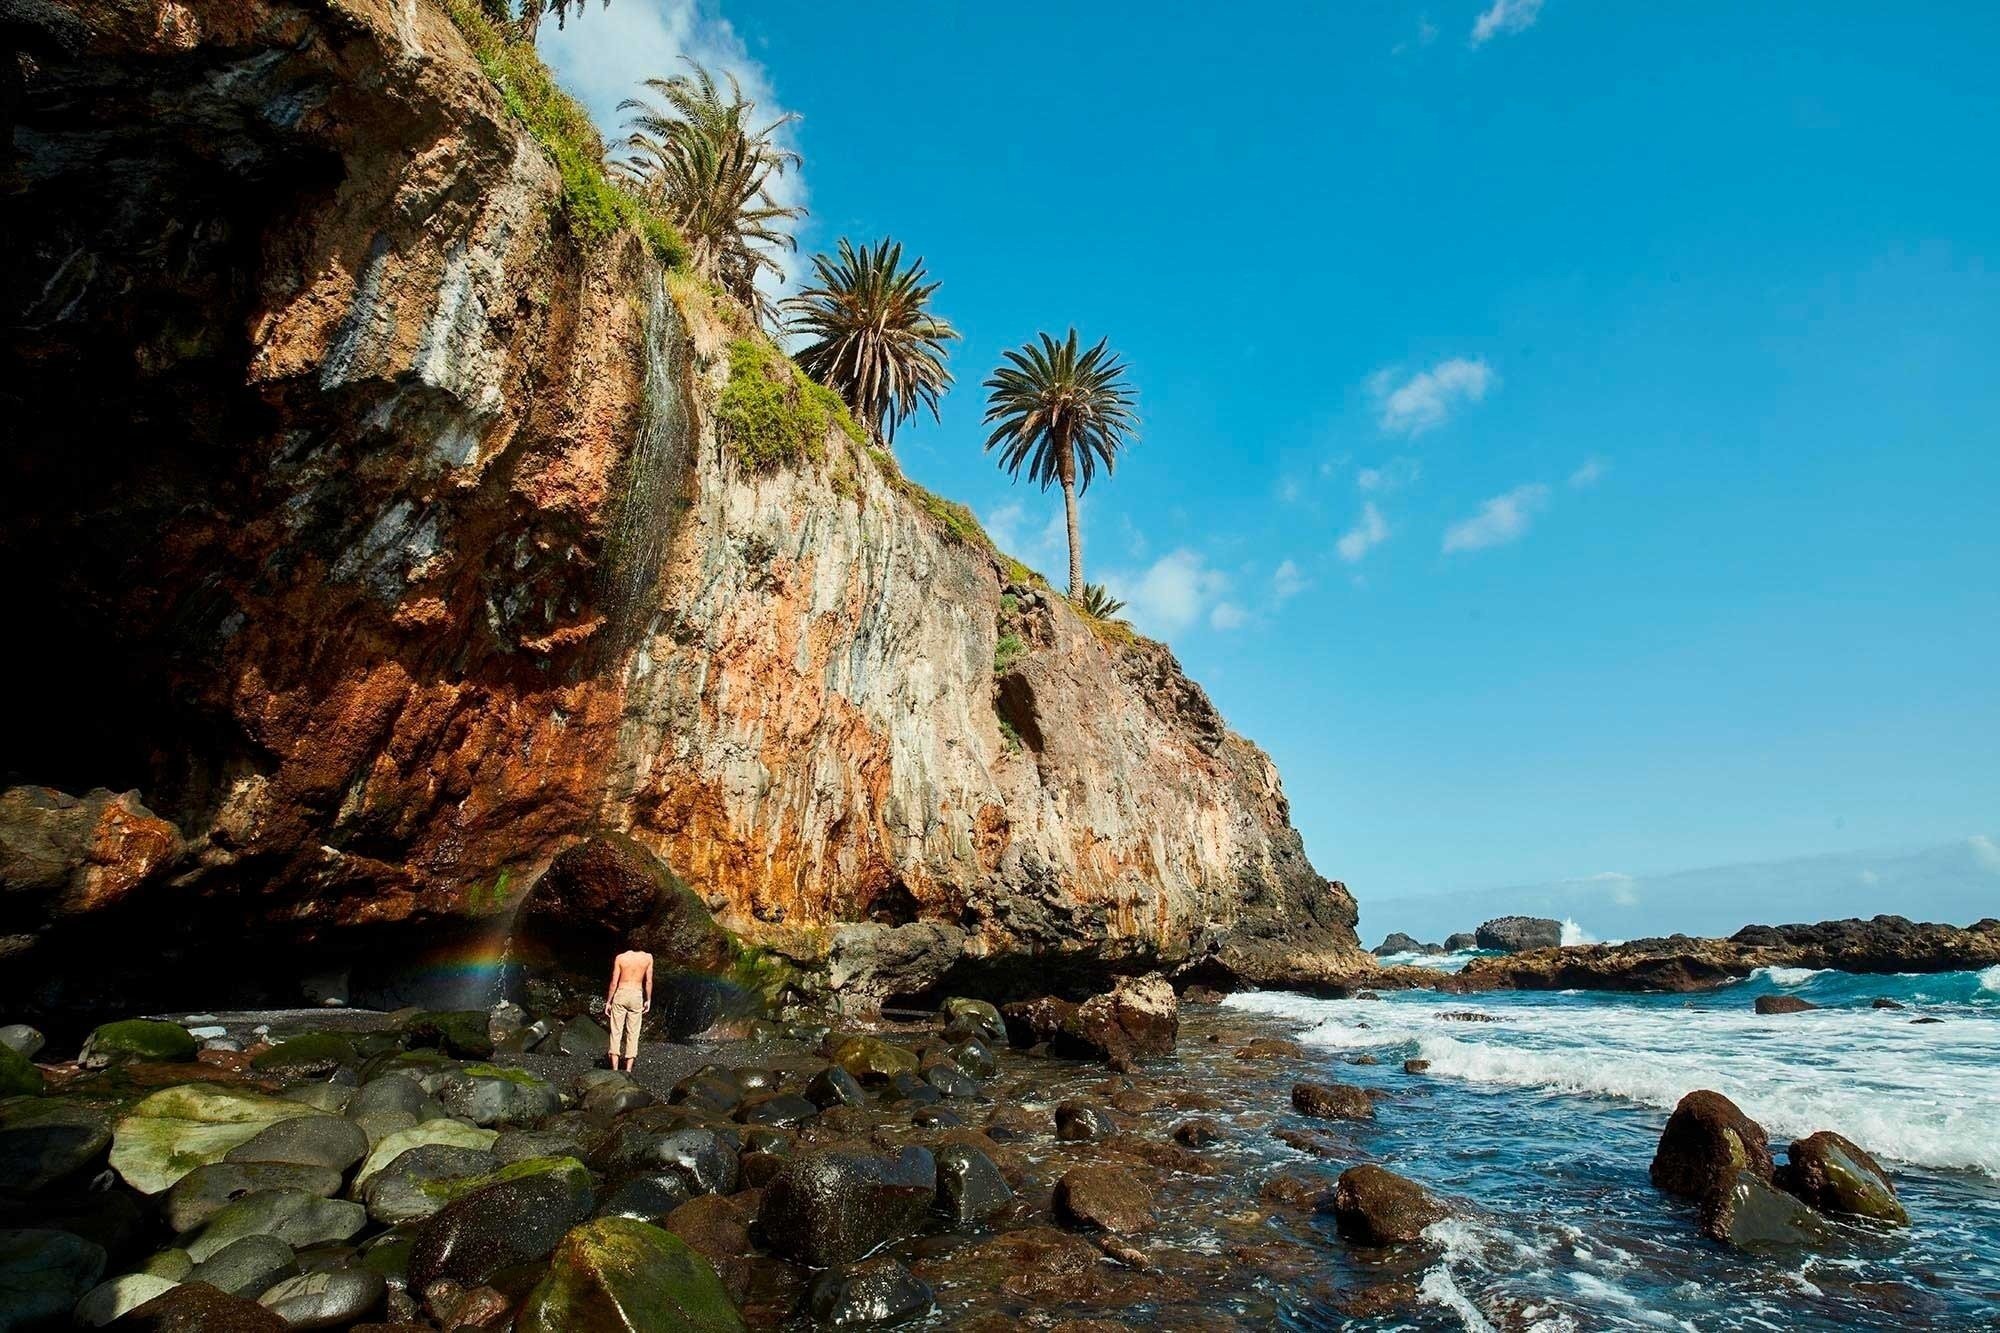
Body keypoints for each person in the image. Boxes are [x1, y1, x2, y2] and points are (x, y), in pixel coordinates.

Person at [603, 945, 653, 1072]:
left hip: (621, 992)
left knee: (616, 1030)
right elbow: (648, 981)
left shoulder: (621, 958)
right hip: (636, 994)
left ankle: (614, 1068)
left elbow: (614, 982)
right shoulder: (648, 958)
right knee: (633, 1032)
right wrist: (648, 999)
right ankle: (628, 1069)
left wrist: (608, 1001)